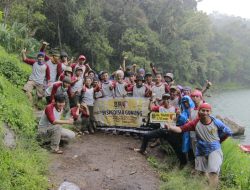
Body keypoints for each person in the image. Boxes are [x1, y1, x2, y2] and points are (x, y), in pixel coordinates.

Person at [166, 103, 232, 188]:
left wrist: (219, 140)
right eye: (203, 110)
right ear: (199, 111)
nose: (205, 113)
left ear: (210, 112)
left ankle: (212, 187)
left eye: (207, 111)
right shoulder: (195, 123)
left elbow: (228, 132)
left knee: (213, 171)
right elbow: (180, 129)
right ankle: (209, 185)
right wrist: (170, 127)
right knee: (202, 173)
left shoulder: (216, 122)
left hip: (214, 149)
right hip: (201, 150)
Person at [134, 94, 187, 166]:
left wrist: (178, 114)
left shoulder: (174, 108)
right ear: (162, 100)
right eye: (164, 99)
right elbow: (151, 108)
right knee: (146, 136)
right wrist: (151, 100)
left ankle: (183, 163)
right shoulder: (160, 108)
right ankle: (142, 150)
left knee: (177, 147)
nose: (166, 100)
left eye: (167, 99)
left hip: (171, 131)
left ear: (169, 100)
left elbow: (178, 118)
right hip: (162, 130)